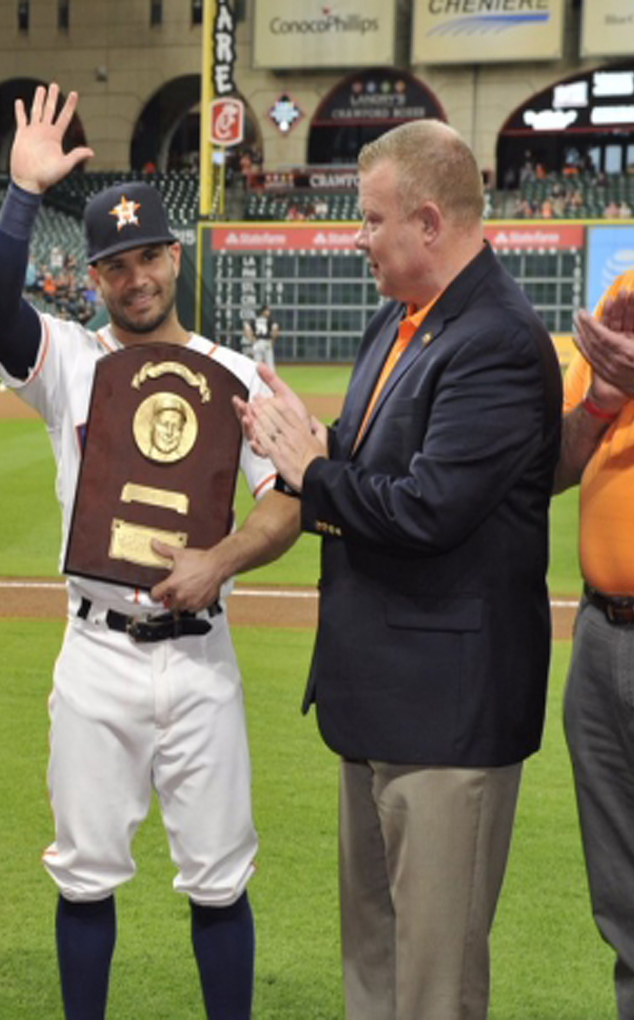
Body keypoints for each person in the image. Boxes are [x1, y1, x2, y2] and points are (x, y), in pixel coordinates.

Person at [199, 119, 561, 1019]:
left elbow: (427, 510)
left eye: (369, 221)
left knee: (432, 985)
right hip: (379, 702)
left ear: (429, 222)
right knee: (374, 963)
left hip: (445, 717)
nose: (357, 239)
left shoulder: (499, 341)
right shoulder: (401, 320)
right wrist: (317, 446)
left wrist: (310, 472)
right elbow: (374, 470)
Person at [0, 83, 299, 1020]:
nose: (137, 277)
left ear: (174, 254)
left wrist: (221, 560)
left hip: (199, 652)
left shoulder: (237, 377)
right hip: (98, 653)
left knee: (219, 876)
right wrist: (23, 195)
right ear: (96, 275)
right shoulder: (69, 360)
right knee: (84, 876)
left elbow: (286, 507)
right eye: (116, 264)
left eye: (149, 255)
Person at [555, 270, 634, 1018]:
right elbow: (556, 464)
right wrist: (604, 398)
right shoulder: (625, 296)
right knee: (623, 900)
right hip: (603, 635)